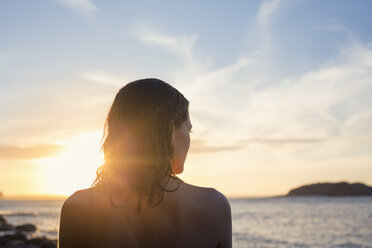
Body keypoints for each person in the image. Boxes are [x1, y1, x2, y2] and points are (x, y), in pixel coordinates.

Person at [58, 78, 232, 248]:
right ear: (170, 129)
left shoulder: (76, 208)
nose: (189, 138)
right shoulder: (214, 206)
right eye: (189, 129)